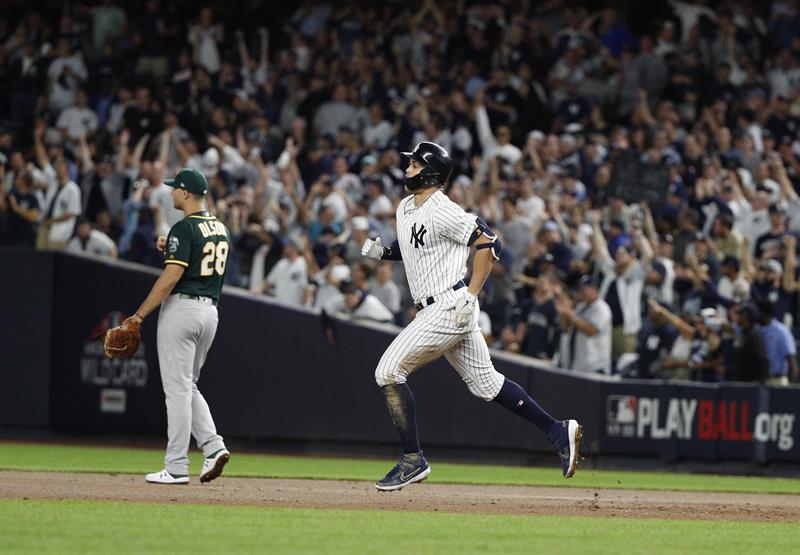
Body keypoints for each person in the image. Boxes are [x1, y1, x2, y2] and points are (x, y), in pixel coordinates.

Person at [361, 142, 582, 491]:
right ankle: (557, 429)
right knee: (487, 385)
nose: (408, 169)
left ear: (431, 172)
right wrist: (383, 252)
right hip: (437, 306)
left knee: (388, 371)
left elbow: (487, 242)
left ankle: (412, 459)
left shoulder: (442, 209)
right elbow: (414, 247)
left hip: (451, 304)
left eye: (415, 164)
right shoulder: (405, 208)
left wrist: (471, 293)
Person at [124, 168, 231, 484]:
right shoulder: (220, 228)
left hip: (182, 309)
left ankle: (176, 466)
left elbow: (171, 277)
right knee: (188, 385)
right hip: (209, 312)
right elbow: (196, 257)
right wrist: (169, 244)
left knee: (177, 389)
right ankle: (213, 447)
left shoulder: (184, 228)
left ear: (186, 193)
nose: (171, 193)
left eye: (175, 189)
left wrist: (139, 315)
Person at [556, 275, 613, 374]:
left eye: (585, 287)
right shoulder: (581, 306)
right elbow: (568, 330)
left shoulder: (602, 308)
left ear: (594, 289)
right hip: (578, 364)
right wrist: (564, 316)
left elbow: (591, 331)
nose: (581, 290)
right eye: (581, 287)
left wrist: (571, 316)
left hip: (595, 367)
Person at [755, 299, 797, 385]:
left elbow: (791, 362)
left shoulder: (781, 331)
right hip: (761, 380)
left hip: (778, 380)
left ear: (763, 313)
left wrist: (790, 387)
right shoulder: (757, 329)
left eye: (757, 311)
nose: (755, 314)